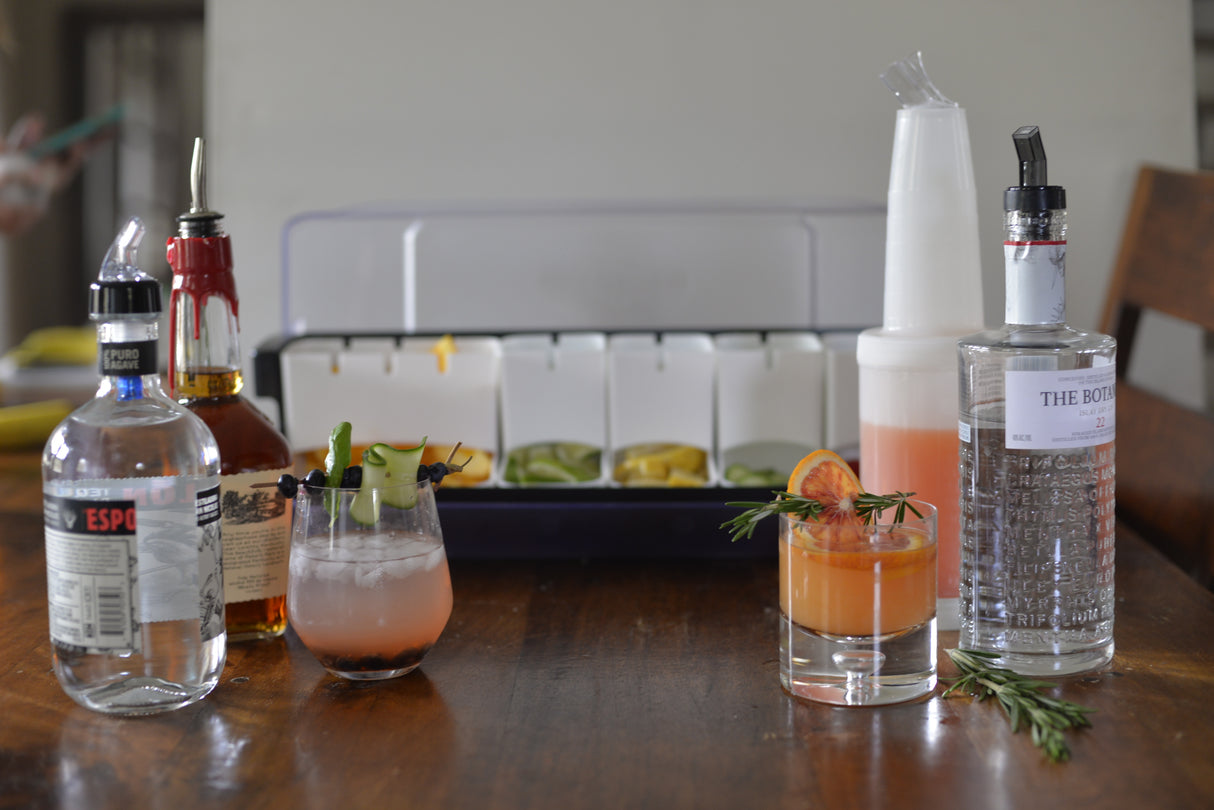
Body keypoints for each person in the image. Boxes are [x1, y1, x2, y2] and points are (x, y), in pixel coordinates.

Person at [0, 111, 100, 236]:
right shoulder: (12, 217)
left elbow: (7, 156)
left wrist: (17, 146)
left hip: (28, 161)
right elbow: (29, 214)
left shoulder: (12, 161)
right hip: (39, 180)